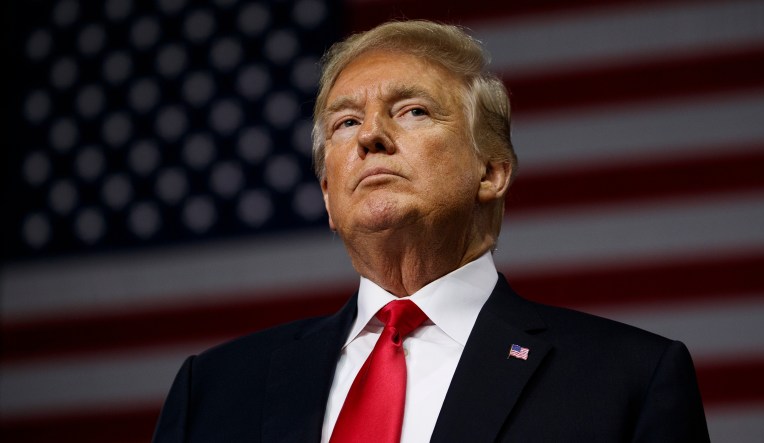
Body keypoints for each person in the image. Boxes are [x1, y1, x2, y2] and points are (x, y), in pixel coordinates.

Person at [152, 20, 710, 442]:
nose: (370, 136)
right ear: (327, 194)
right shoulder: (213, 389)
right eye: (345, 122)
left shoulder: (627, 381)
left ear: (490, 172)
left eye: (412, 111)